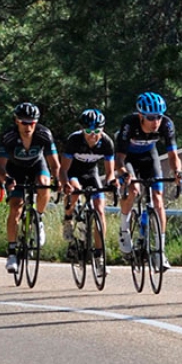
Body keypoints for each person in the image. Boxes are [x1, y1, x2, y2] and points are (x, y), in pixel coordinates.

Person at [114, 92, 182, 269]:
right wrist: (123, 173)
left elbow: (173, 155)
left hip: (148, 156)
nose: (156, 122)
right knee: (134, 190)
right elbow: (119, 159)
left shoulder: (167, 125)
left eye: (159, 117)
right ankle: (124, 229)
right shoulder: (129, 124)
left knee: (158, 198)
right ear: (141, 116)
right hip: (128, 158)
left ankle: (160, 252)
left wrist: (178, 172)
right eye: (151, 118)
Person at [0, 102, 60, 274]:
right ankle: (11, 253)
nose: (28, 126)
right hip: (14, 170)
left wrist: (59, 180)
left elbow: (55, 164)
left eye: (32, 122)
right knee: (16, 207)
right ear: (16, 121)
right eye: (24, 122)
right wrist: (6, 179)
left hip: (37, 165)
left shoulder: (44, 134)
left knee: (44, 184)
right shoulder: (8, 137)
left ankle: (38, 218)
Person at [59, 109, 116, 261]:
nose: (93, 134)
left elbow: (110, 173)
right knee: (76, 190)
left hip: (91, 173)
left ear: (102, 129)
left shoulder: (106, 142)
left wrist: (111, 183)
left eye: (97, 130)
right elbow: (63, 169)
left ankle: (99, 254)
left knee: (100, 210)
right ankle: (68, 217)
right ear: (82, 129)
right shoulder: (74, 140)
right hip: (73, 173)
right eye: (89, 130)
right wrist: (65, 184)